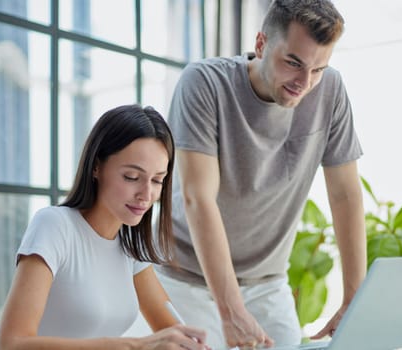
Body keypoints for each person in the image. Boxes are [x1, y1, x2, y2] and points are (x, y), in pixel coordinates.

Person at [155, 0, 367, 348]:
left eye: (318, 69)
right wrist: (231, 309)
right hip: (187, 279)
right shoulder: (204, 83)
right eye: (293, 63)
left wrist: (353, 300)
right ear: (261, 44)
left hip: (267, 281)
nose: (304, 82)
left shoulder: (329, 90)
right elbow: (197, 197)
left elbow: (345, 193)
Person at [0, 104, 208, 350]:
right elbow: (11, 344)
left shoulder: (130, 246)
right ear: (96, 167)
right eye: (131, 177)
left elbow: (171, 331)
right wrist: (135, 346)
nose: (146, 194)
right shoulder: (55, 226)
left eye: (157, 180)